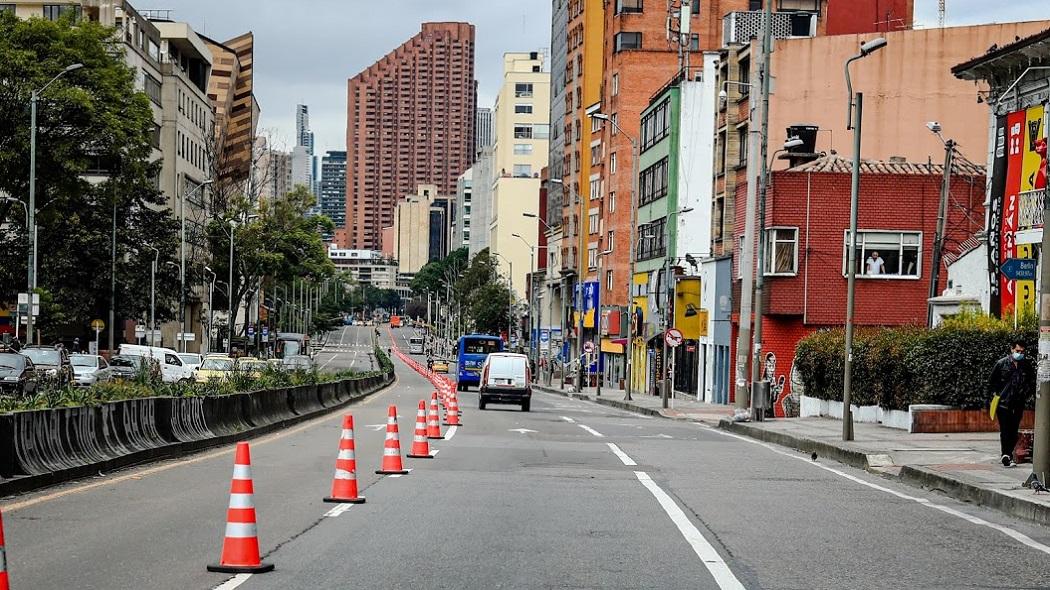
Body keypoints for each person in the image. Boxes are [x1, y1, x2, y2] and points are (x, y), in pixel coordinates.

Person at [987, 339, 1035, 467]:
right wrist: (995, 396)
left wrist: (1026, 394)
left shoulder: (1026, 365)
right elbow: (992, 382)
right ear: (1012, 349)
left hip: (1018, 403)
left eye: (1022, 351)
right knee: (1005, 429)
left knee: (1014, 430)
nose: (1019, 353)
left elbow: (1031, 382)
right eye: (1017, 351)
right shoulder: (1001, 364)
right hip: (1003, 403)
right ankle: (1006, 455)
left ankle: (1007, 454)